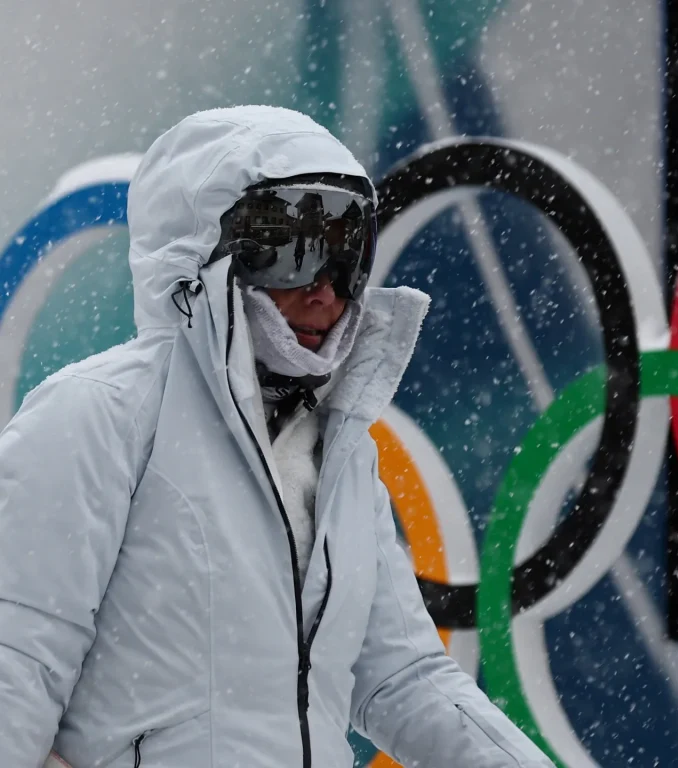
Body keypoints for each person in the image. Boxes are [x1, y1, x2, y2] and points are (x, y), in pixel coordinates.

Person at [0, 106, 555, 768]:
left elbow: (403, 679)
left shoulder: (336, 450)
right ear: (202, 259)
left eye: (346, 258)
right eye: (296, 255)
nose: (326, 294)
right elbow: (16, 656)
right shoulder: (99, 416)